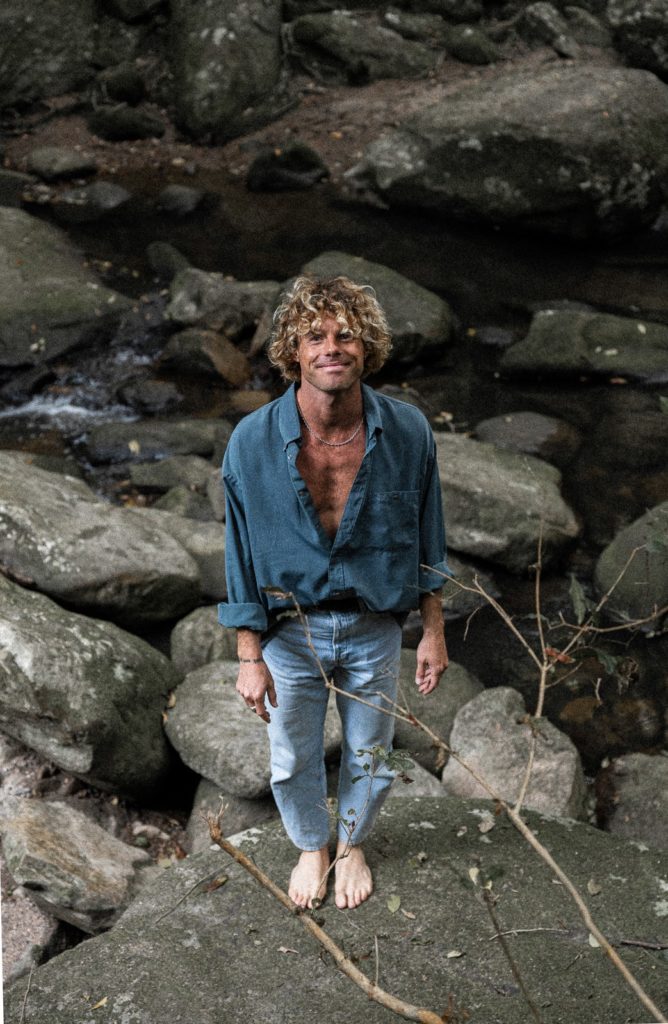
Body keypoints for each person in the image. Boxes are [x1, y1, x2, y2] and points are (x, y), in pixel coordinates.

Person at [218, 274, 449, 911]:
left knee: (371, 753)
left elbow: (429, 534)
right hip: (290, 630)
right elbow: (238, 552)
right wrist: (248, 654)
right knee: (293, 755)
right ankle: (310, 846)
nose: (331, 348)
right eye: (314, 337)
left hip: (376, 625)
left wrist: (433, 630)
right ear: (293, 351)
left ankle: (351, 844)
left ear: (366, 347)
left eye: (346, 335)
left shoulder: (408, 432)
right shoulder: (251, 442)